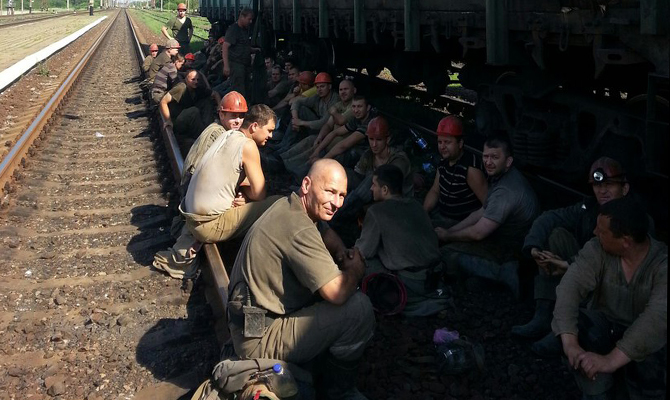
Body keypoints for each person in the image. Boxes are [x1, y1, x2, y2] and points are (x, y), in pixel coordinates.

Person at [227, 159, 374, 400]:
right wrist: (355, 270)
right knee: (359, 308)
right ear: (307, 185)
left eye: (342, 195)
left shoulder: (288, 205)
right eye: (330, 191)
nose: (337, 203)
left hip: (249, 322)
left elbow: (324, 231)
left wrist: (340, 252)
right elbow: (337, 292)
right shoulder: (299, 229)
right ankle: (337, 392)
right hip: (257, 340)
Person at [512, 157, 645, 343]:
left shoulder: (636, 219)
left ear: (625, 188)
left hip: (613, 289)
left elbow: (610, 259)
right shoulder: (589, 208)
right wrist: (534, 248)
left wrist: (570, 265)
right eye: (598, 186)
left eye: (609, 185)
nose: (603, 191)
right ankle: (544, 314)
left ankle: (570, 328)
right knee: (557, 234)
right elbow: (550, 217)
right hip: (584, 273)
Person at [552, 196, 666, 400]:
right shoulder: (597, 248)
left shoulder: (662, 265)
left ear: (626, 241)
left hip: (646, 339)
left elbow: (657, 319)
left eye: (602, 232)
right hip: (608, 326)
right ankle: (597, 391)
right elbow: (569, 287)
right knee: (580, 325)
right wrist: (570, 343)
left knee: (653, 357)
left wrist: (611, 360)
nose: (595, 233)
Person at [153, 104, 278, 279]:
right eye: (269, 130)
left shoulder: (227, 135)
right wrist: (248, 197)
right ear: (255, 126)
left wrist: (243, 194)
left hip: (190, 216)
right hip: (207, 225)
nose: (270, 136)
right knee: (276, 203)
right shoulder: (248, 146)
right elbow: (260, 194)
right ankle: (264, 267)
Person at [436, 136, 540, 297]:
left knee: (447, 255)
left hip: (511, 249)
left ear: (508, 161)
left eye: (495, 157)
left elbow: (478, 233)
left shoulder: (505, 191)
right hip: (506, 239)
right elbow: (481, 212)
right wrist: (449, 231)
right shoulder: (503, 176)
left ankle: (504, 274)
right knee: (449, 240)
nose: (488, 162)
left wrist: (448, 236)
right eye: (486, 156)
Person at [355, 164, 446, 316]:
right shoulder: (416, 205)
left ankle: (405, 300)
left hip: (412, 281)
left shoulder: (376, 211)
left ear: (384, 190)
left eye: (374, 184)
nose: (371, 188)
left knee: (362, 261)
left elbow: (364, 251)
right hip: (437, 275)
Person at [423, 116, 487, 229]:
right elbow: (435, 190)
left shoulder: (470, 169)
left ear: (460, 143)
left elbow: (487, 204)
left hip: (460, 223)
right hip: (442, 215)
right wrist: (423, 212)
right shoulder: (444, 161)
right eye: (440, 142)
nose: (442, 146)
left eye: (447, 142)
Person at [280, 79, 356, 173]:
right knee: (311, 140)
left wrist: (333, 112)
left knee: (314, 153)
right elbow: (328, 125)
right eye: (341, 90)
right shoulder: (339, 104)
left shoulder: (354, 107)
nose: (343, 92)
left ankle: (291, 169)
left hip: (339, 145)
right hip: (329, 139)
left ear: (354, 90)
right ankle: (282, 158)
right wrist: (320, 137)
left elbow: (341, 120)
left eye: (346, 89)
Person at [181, 91, 248, 191]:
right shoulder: (221, 135)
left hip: (194, 186)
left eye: (241, 116)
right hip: (195, 189)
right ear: (221, 115)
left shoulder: (215, 127)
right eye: (233, 116)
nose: (238, 121)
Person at [159, 69, 221, 154]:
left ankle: (208, 132)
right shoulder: (181, 88)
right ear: (186, 79)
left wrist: (219, 106)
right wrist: (168, 120)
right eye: (193, 79)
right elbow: (163, 101)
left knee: (206, 102)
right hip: (178, 121)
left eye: (197, 80)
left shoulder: (198, 88)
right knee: (194, 111)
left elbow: (215, 94)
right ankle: (203, 137)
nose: (196, 82)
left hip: (189, 120)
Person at [310, 95, 376, 168]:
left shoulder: (370, 123)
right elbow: (335, 133)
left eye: (359, 106)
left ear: (368, 108)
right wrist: (317, 151)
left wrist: (322, 161)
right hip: (358, 150)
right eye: (353, 106)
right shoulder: (357, 119)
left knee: (344, 154)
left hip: (371, 157)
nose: (356, 110)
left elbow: (344, 145)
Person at [222, 8, 259, 97]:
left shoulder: (244, 29)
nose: (250, 22)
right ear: (242, 17)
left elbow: (243, 45)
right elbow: (225, 47)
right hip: (236, 64)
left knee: (246, 88)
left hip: (244, 65)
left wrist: (254, 50)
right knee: (239, 90)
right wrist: (226, 66)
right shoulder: (234, 29)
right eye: (249, 19)